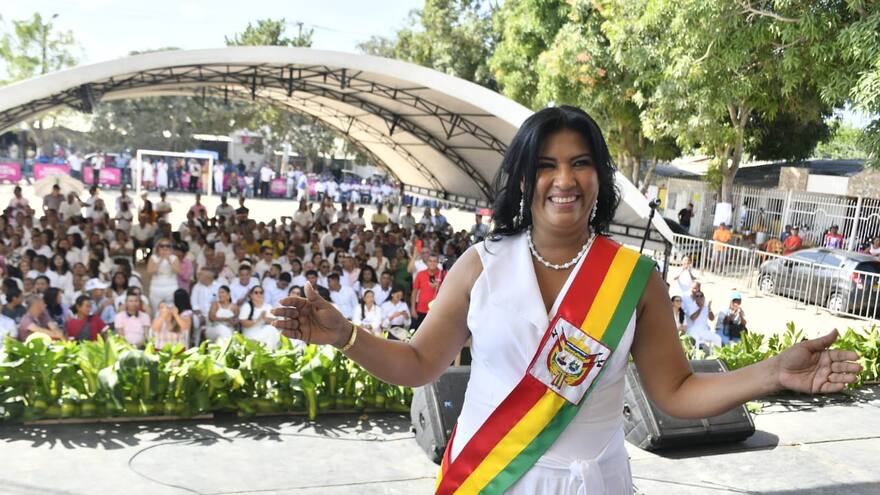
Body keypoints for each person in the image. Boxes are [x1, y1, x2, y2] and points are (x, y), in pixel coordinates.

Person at [272, 106, 862, 494]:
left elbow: (677, 393)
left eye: (580, 164)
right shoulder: (481, 265)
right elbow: (420, 363)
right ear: (525, 180)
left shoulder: (635, 278)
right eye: (547, 165)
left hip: (595, 482)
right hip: (493, 477)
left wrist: (774, 373)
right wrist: (345, 335)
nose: (565, 179)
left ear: (598, 178)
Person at [411, 253, 444, 330]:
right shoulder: (420, 274)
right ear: (427, 262)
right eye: (430, 261)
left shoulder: (443, 274)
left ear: (437, 262)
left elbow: (449, 292)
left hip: (437, 310)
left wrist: (437, 287)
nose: (432, 263)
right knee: (419, 332)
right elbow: (414, 292)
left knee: (435, 332)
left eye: (434, 261)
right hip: (421, 309)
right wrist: (413, 308)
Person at [147, 238, 180, 310]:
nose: (165, 248)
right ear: (158, 247)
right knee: (156, 311)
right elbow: (150, 272)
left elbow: (178, 271)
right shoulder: (153, 258)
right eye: (162, 246)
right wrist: (160, 260)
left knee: (171, 310)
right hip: (156, 288)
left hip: (171, 287)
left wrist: (169, 260)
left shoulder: (174, 258)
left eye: (167, 246)